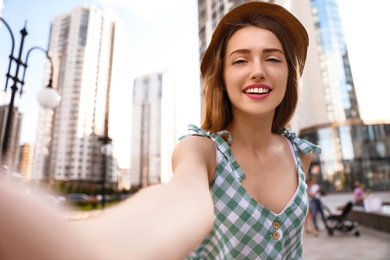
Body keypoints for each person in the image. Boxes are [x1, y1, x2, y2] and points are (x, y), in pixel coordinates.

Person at [0, 2, 321, 259]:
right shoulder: (201, 150)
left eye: (272, 58)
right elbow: (179, 199)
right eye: (240, 61)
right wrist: (84, 246)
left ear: (288, 75)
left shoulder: (301, 155)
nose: (258, 71)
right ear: (221, 77)